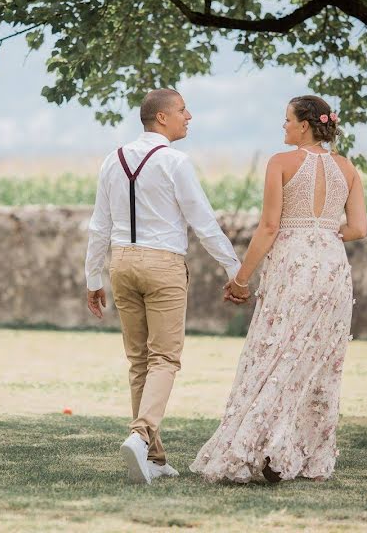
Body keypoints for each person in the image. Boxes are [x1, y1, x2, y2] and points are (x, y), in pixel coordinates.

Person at [190, 94, 367, 484]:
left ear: (305, 124)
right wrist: (325, 233)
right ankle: (297, 455)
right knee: (318, 361)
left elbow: (269, 227)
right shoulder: (347, 168)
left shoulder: (281, 163)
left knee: (275, 353)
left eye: (287, 120)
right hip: (333, 266)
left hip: (293, 263)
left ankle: (260, 448)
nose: (284, 127)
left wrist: (241, 279)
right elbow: (358, 228)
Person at [84, 88, 244, 484]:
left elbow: (99, 226)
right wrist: (235, 270)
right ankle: (140, 435)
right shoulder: (175, 162)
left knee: (139, 360)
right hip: (163, 265)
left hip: (121, 263)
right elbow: (203, 222)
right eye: (183, 110)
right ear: (161, 118)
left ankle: (154, 458)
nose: (189, 116)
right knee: (165, 359)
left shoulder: (112, 159)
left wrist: (92, 278)